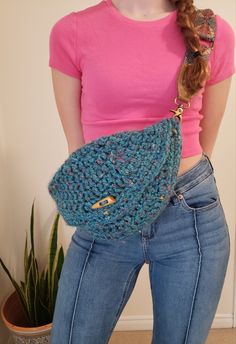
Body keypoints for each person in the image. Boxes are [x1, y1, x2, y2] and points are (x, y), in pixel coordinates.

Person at [48, 1, 235, 343]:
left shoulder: (210, 31)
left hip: (189, 213)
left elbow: (205, 140)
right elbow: (78, 149)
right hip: (106, 213)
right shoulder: (71, 31)